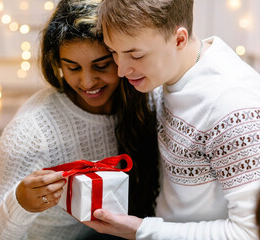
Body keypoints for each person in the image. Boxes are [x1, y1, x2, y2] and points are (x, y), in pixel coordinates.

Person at [0, 0, 158, 239]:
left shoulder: (147, 98)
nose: (87, 82)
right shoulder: (31, 133)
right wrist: (19, 204)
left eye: (102, 65)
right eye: (72, 68)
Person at [83, 0, 260, 239]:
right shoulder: (172, 68)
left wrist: (141, 230)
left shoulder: (233, 107)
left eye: (136, 55)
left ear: (179, 40)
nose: (121, 70)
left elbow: (248, 232)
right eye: (114, 52)